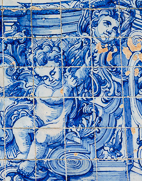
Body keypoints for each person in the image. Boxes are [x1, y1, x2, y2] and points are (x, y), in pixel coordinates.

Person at [11, 39, 87, 174]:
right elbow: (56, 98)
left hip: (57, 125)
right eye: (44, 77)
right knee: (19, 126)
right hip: (38, 120)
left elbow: (80, 75)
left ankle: (30, 163)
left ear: (61, 65)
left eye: (52, 73)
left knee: (41, 135)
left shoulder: (68, 81)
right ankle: (25, 151)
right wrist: (68, 86)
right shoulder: (43, 89)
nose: (50, 79)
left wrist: (87, 65)